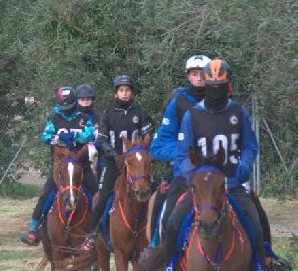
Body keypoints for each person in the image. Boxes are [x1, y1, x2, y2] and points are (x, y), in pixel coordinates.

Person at [148, 59, 282, 271]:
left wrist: (243, 168)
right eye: (212, 86)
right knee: (174, 221)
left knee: (255, 220)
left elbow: (250, 145)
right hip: (201, 187)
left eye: (221, 86)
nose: (216, 91)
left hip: (231, 182)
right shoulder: (192, 115)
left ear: (227, 85)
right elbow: (182, 153)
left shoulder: (238, 112)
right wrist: (192, 178)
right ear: (206, 85)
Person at [82, 76, 153, 250]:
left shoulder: (140, 113)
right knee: (103, 197)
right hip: (113, 163)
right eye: (121, 90)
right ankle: (93, 234)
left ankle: (156, 235)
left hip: (137, 164)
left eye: (128, 90)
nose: (124, 93)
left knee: (154, 193)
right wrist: (116, 157)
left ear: (132, 93)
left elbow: (148, 135)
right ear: (115, 93)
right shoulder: (107, 114)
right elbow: (103, 140)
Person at [20, 86, 97, 246]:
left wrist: (75, 135)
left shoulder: (83, 118)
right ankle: (34, 227)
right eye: (64, 108)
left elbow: (90, 135)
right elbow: (46, 136)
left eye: (69, 108)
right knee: (46, 194)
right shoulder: (54, 119)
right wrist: (60, 139)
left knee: (95, 194)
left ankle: (101, 230)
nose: (67, 111)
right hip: (60, 166)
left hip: (81, 164)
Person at [148, 55, 211, 243]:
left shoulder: (223, 101)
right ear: (188, 76)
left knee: (250, 209)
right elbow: (157, 145)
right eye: (194, 73)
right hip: (185, 172)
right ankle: (163, 258)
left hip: (218, 169)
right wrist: (185, 153)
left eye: (203, 73)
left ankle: (261, 260)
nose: (199, 77)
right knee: (167, 217)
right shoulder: (178, 103)